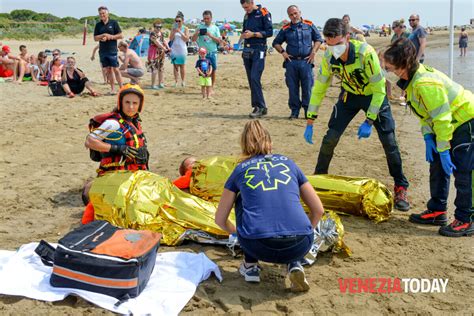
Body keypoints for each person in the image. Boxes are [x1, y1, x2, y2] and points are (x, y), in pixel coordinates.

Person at [303, 18, 411, 211]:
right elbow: (319, 87)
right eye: (328, 44)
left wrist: (369, 120)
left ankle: (400, 186)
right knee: (330, 137)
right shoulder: (328, 57)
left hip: (374, 96)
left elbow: (379, 90)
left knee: (389, 142)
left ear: (347, 37)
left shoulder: (365, 54)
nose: (333, 48)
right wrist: (310, 119)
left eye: (337, 44)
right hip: (349, 95)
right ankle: (319, 179)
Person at [215, 120, 324, 292]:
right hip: (301, 244)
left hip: (258, 244)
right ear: (270, 142)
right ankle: (294, 263)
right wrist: (305, 232)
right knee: (287, 201)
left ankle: (250, 265)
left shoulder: (240, 169)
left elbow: (220, 219)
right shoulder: (289, 163)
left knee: (243, 199)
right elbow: (318, 210)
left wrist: (239, 234)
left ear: (243, 144)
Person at [383, 38, 473, 237]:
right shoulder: (412, 81)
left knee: (463, 171)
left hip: (466, 121)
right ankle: (438, 210)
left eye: (389, 66)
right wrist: (427, 138)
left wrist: (443, 148)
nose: (386, 68)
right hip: (450, 124)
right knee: (437, 167)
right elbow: (426, 114)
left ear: (403, 64)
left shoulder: (424, 82)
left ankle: (466, 219)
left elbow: (441, 118)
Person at [85, 84, 149, 176]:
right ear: (120, 103)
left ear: (140, 105)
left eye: (135, 103)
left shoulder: (135, 123)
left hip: (135, 172)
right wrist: (118, 149)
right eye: (127, 102)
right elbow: (89, 141)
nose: (131, 107)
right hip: (114, 173)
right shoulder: (113, 123)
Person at [272, 5, 323, 119]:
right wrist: (283, 52)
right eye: (291, 14)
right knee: (292, 87)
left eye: (295, 13)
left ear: (300, 12)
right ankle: (294, 111)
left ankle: (307, 111)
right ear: (288, 15)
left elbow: (319, 39)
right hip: (291, 62)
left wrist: (314, 51)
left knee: (307, 87)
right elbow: (275, 43)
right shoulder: (285, 29)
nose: (294, 16)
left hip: (306, 61)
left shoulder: (309, 25)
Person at [240, 0, 273, 118]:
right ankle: (259, 106)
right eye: (244, 8)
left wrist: (253, 34)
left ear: (252, 2)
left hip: (259, 49)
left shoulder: (264, 12)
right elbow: (245, 31)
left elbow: (269, 32)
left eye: (247, 7)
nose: (246, 9)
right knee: (251, 80)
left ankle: (260, 106)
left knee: (255, 77)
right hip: (247, 50)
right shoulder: (246, 16)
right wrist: (242, 38)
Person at [94, 6, 123, 95]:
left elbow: (121, 35)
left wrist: (111, 37)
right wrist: (103, 35)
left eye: (103, 13)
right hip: (103, 51)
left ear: (107, 14)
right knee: (108, 70)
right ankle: (113, 89)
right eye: (100, 14)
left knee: (116, 70)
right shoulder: (98, 25)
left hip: (112, 50)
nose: (102, 15)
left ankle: (122, 88)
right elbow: (95, 38)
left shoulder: (114, 23)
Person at [191, 10, 222, 90]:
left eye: (208, 18)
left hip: (212, 52)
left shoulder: (215, 28)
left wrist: (210, 35)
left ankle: (211, 87)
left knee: (213, 70)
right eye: (205, 18)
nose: (206, 20)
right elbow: (193, 40)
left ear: (211, 18)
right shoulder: (199, 27)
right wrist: (197, 33)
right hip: (202, 54)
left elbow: (219, 41)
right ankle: (204, 88)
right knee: (202, 70)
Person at [386, 19, 410, 101]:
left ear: (399, 27)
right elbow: (392, 46)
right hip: (396, 59)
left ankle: (403, 95)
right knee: (387, 75)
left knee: (404, 76)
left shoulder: (407, 34)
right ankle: (389, 94)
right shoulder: (394, 36)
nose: (392, 29)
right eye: (392, 28)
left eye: (393, 27)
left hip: (405, 58)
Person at [169, 11, 189, 88]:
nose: (177, 22)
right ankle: (176, 81)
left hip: (182, 49)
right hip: (174, 49)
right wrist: (174, 32)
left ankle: (183, 81)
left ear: (182, 21)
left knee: (182, 66)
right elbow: (170, 39)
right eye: (176, 21)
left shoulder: (185, 28)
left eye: (179, 21)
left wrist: (180, 32)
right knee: (175, 66)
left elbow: (186, 39)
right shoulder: (173, 28)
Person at [148, 22, 170, 89]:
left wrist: (168, 47)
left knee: (161, 68)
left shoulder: (161, 33)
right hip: (154, 52)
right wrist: (164, 48)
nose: (159, 28)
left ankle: (161, 83)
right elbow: (156, 42)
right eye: (157, 27)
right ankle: (153, 85)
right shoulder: (152, 34)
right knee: (154, 68)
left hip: (161, 52)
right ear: (154, 27)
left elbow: (164, 41)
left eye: (160, 27)